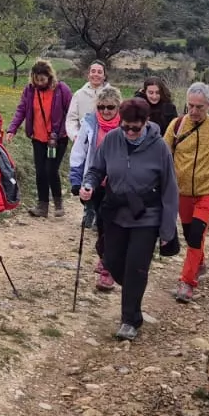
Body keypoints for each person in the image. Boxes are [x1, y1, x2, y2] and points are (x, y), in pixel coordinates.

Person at [80, 98, 180, 341]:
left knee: (136, 267)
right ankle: (135, 292)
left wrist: (167, 231)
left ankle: (130, 319)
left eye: (135, 127)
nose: (130, 132)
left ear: (146, 123)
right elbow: (96, 169)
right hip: (116, 213)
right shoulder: (113, 139)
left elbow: (170, 190)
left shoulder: (160, 148)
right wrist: (89, 185)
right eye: (126, 127)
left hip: (147, 217)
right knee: (112, 262)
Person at [163, 82, 209, 303]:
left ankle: (187, 282)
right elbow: (162, 157)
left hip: (208, 191)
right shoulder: (175, 127)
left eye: (200, 107)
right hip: (182, 191)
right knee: (189, 234)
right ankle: (199, 263)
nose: (194, 111)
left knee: (196, 234)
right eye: (191, 106)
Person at [68, 85, 125, 291]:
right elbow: (79, 151)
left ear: (118, 106)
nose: (106, 111)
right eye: (101, 107)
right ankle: (105, 260)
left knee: (113, 226)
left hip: (119, 185)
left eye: (110, 107)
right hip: (97, 182)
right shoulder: (90, 124)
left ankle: (108, 269)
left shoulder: (127, 127)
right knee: (102, 225)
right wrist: (76, 180)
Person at [4, 61, 73, 218]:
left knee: (51, 170)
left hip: (57, 139)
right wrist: (12, 129)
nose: (40, 83)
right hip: (38, 138)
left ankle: (58, 203)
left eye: (43, 80)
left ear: (50, 77)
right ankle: (42, 206)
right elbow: (21, 110)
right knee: (40, 172)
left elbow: (71, 112)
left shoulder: (62, 89)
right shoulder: (29, 91)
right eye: (37, 79)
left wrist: (67, 131)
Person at [65, 62, 114, 140]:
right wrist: (75, 135)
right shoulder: (79, 95)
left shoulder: (113, 95)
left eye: (99, 72)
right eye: (93, 71)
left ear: (104, 76)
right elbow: (71, 119)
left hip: (106, 140)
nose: (96, 74)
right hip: (84, 140)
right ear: (88, 75)